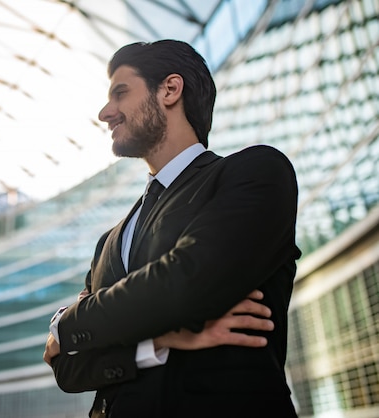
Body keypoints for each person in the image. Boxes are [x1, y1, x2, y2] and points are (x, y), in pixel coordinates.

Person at [42, 40, 301, 417]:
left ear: (170, 89)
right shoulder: (109, 243)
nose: (105, 112)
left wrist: (65, 321)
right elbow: (67, 367)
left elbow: (184, 286)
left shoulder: (255, 173)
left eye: (120, 93)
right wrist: (158, 341)